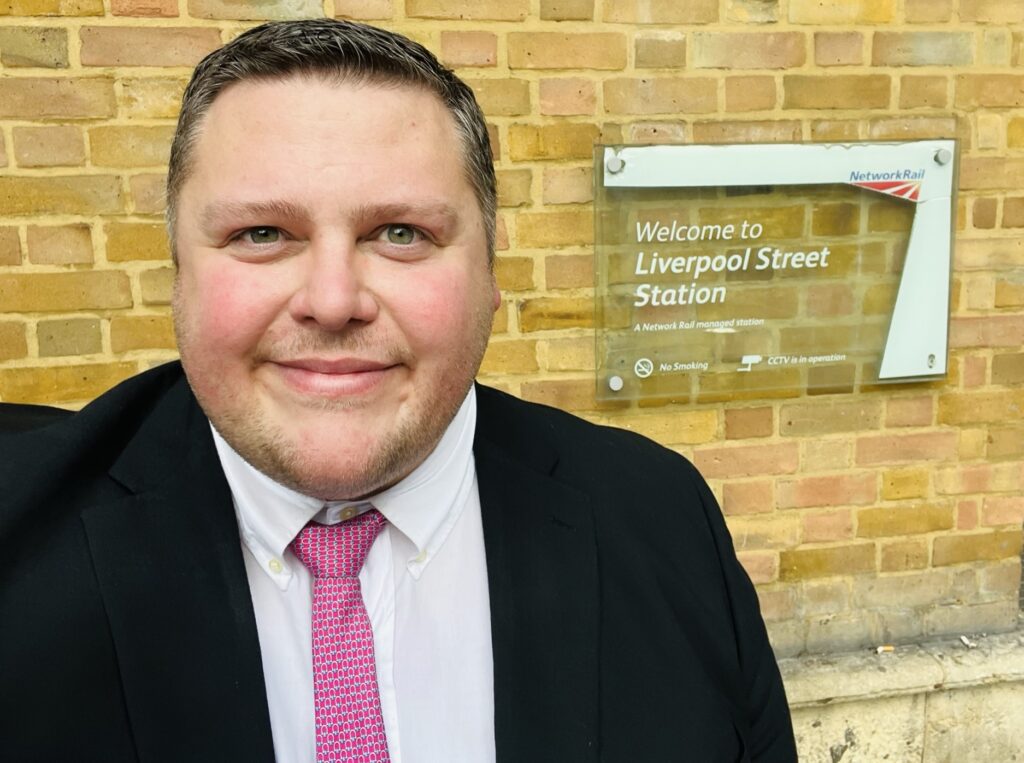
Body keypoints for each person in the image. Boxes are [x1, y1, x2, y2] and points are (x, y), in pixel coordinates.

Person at [0, 18, 796, 763]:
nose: (334, 298)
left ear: (492, 269)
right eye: (263, 234)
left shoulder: (662, 519)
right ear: (178, 270)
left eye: (401, 233)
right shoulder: (21, 550)